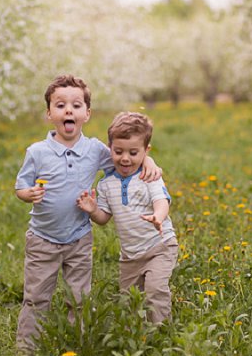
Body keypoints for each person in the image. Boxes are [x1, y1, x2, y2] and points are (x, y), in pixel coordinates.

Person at [14, 75, 162, 356]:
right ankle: (27, 351)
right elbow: (20, 186)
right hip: (42, 239)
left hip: (79, 238)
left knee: (79, 299)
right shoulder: (37, 152)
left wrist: (150, 160)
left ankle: (78, 345)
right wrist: (28, 193)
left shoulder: (95, 150)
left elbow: (126, 159)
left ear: (87, 113)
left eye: (76, 105)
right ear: (49, 114)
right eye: (60, 105)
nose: (68, 110)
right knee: (36, 298)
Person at [76, 112, 178, 324]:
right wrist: (93, 210)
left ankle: (160, 332)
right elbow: (104, 218)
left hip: (160, 246)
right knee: (129, 301)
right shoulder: (106, 184)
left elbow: (162, 201)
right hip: (130, 256)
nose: (125, 158)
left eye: (133, 153)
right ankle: (135, 332)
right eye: (118, 151)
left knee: (155, 289)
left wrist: (158, 217)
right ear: (109, 147)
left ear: (145, 151)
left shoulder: (149, 176)